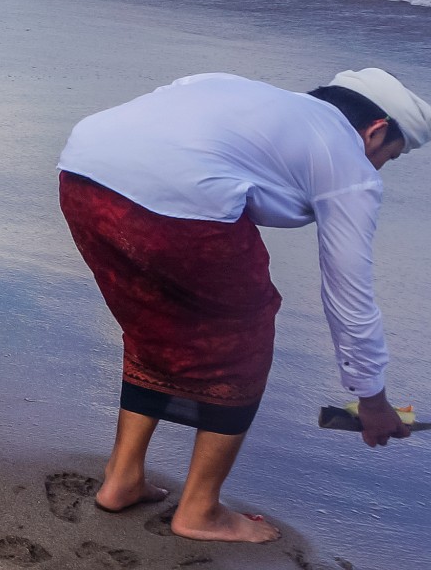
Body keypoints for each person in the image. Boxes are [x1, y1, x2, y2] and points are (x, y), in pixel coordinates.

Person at [56, 70, 423, 544]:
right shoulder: (347, 161)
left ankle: (122, 477)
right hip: (173, 208)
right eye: (386, 157)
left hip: (81, 176)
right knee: (242, 336)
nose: (375, 169)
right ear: (375, 130)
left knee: (152, 323)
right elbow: (348, 295)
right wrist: (371, 399)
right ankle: (200, 510)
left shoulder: (240, 93)